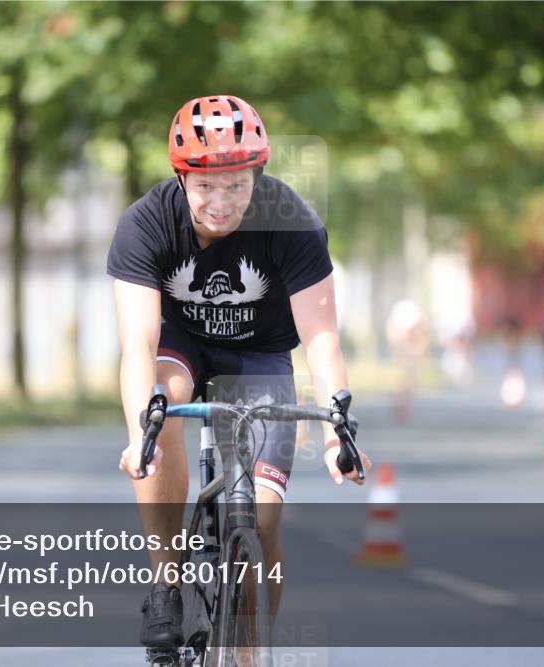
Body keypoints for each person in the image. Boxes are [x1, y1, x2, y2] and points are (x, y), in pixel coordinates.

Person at [106, 95, 372, 650]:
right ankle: (166, 585)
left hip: (260, 354)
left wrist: (336, 434)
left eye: (237, 184)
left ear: (257, 174)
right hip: (179, 344)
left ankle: (250, 654)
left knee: (264, 522)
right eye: (206, 186)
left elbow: (321, 339)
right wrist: (138, 436)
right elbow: (138, 344)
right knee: (163, 403)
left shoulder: (294, 222)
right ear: (181, 178)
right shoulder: (145, 224)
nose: (222, 202)